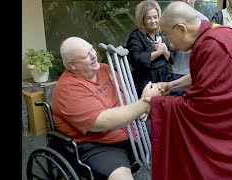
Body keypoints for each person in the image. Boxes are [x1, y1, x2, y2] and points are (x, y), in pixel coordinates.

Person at [141, 2, 232, 179]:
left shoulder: (212, 45)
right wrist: (171, 86)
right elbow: (199, 75)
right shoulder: (218, 34)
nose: (169, 43)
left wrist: (157, 104)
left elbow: (200, 108)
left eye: (167, 35)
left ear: (181, 29)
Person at [50, 37, 160, 180]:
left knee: (174, 138)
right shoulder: (68, 90)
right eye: (85, 56)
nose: (93, 55)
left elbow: (127, 96)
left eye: (92, 49)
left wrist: (139, 109)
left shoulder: (105, 69)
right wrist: (144, 104)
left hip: (130, 130)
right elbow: (102, 122)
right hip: (99, 145)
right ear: (72, 65)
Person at [126, 0, 174, 98]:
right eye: (149, 18)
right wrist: (158, 52)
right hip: (146, 81)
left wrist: (165, 52)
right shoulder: (136, 36)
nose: (153, 21)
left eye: (155, 17)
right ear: (142, 19)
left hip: (164, 78)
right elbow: (135, 59)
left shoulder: (162, 34)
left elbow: (172, 58)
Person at [169, 0, 209, 96]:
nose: (187, 1)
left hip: (197, 74)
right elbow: (169, 47)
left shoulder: (204, 20)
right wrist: (181, 42)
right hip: (177, 72)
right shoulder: (171, 19)